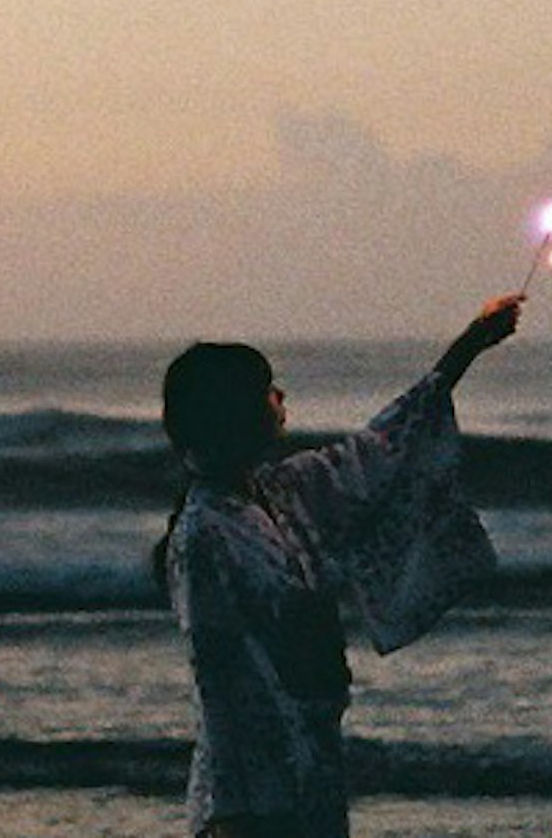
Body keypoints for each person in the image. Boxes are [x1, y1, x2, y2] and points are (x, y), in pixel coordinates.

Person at [157, 293, 523, 838]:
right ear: (234, 411)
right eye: (266, 390)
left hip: (302, 777)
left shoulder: (278, 493)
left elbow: (378, 450)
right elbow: (225, 681)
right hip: (251, 804)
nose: (280, 398)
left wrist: (467, 348)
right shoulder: (204, 534)